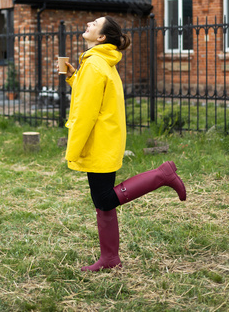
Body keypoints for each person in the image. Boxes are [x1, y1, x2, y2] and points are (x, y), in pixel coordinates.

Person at [58, 16, 186, 272]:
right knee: (101, 199)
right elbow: (91, 94)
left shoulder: (95, 64)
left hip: (99, 141)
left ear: (102, 37)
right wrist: (74, 77)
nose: (89, 24)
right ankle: (110, 258)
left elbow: (86, 111)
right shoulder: (100, 61)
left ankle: (161, 176)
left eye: (95, 23)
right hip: (105, 138)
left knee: (104, 197)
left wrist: (72, 149)